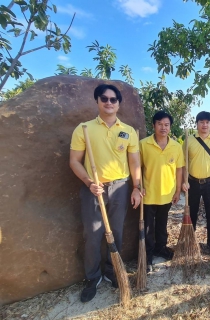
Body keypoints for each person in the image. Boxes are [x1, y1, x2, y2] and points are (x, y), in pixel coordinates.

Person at [69, 84, 141, 303]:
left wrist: (137, 187)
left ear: (119, 104)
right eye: (104, 99)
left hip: (120, 186)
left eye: (113, 99)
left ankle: (112, 271)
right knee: (92, 233)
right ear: (97, 101)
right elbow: (74, 161)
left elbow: (135, 162)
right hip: (93, 188)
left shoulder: (128, 131)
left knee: (116, 232)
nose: (109, 102)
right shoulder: (84, 129)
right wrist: (89, 182)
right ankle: (92, 277)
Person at [139, 111, 184, 271]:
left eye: (166, 125)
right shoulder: (143, 144)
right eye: (159, 124)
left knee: (162, 224)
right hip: (148, 194)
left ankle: (161, 248)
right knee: (148, 227)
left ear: (170, 127)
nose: (163, 127)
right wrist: (138, 186)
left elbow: (179, 170)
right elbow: (138, 167)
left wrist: (178, 190)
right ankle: (148, 255)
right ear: (153, 125)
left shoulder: (176, 146)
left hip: (167, 194)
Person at [182, 111, 210, 255]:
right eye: (201, 122)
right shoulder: (189, 140)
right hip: (192, 182)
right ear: (197, 124)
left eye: (207, 122)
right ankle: (190, 241)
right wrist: (184, 181)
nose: (204, 125)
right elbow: (183, 164)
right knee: (191, 212)